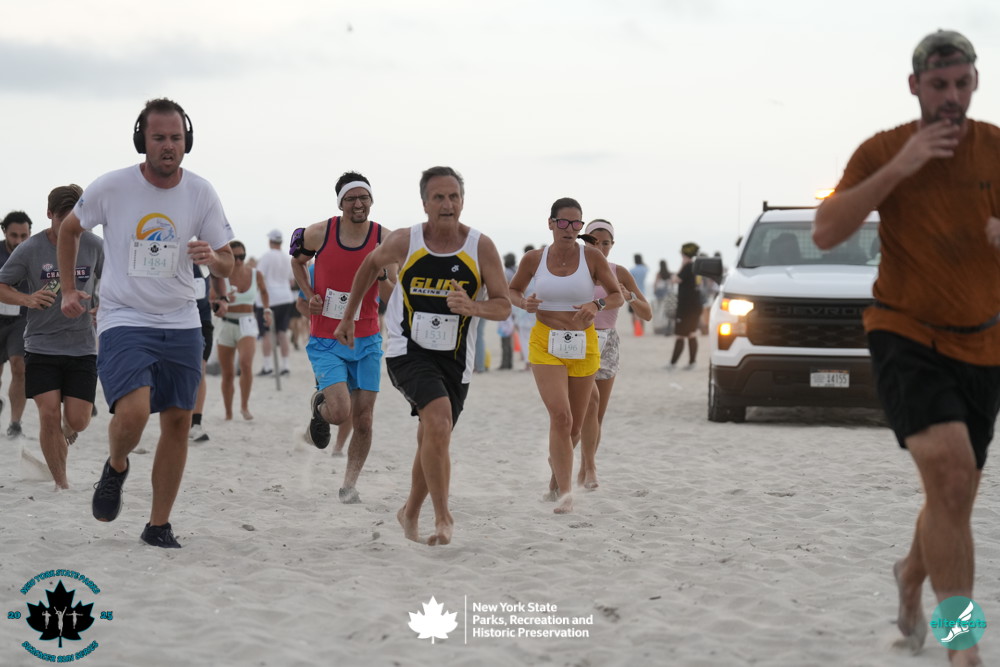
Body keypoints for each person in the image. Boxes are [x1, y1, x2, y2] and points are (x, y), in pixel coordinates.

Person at [813, 30, 998, 666]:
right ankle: (962, 645)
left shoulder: (996, 148)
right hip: (905, 332)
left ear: (975, 83)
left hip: (984, 342)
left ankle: (911, 574)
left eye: (962, 84)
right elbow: (826, 230)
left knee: (954, 493)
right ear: (915, 85)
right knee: (952, 475)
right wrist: (901, 167)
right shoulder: (883, 149)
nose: (952, 97)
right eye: (939, 85)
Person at [58, 97, 235, 549]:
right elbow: (70, 230)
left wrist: (212, 258)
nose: (168, 146)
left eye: (176, 137)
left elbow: (228, 261)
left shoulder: (201, 192)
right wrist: (69, 289)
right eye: (159, 138)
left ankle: (158, 525)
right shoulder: (112, 187)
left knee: (178, 421)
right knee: (134, 412)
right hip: (124, 316)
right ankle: (117, 464)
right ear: (142, 140)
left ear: (187, 140)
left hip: (182, 320)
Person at [334, 166, 510, 544]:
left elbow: (503, 305)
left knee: (433, 435)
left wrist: (473, 307)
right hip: (407, 349)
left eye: (454, 197)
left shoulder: (480, 247)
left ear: (462, 201)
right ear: (424, 203)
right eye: (438, 197)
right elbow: (369, 265)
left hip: (456, 359)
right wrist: (348, 317)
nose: (447, 204)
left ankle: (409, 512)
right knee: (439, 422)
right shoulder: (406, 240)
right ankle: (443, 518)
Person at [508, 199, 622, 514]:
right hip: (545, 342)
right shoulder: (534, 259)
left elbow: (616, 295)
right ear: (551, 223)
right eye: (563, 222)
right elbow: (512, 291)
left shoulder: (592, 257)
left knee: (574, 428)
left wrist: (596, 305)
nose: (569, 229)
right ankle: (566, 494)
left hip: (582, 343)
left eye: (576, 224)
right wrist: (524, 303)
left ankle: (554, 481)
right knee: (561, 416)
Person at [292, 171, 394, 504]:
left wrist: (382, 276)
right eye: (351, 198)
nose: (358, 204)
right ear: (340, 203)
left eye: (364, 197)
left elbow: (392, 294)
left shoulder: (384, 239)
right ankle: (319, 408)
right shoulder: (320, 233)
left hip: (367, 339)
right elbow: (297, 261)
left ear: (371, 200)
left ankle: (349, 485)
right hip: (327, 339)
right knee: (339, 413)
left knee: (363, 419)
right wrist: (309, 293)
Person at [0, 185, 103, 489]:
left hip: (82, 346)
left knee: (79, 420)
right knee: (47, 414)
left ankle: (68, 428)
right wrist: (28, 299)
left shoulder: (94, 245)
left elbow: (116, 282)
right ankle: (61, 483)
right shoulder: (31, 249)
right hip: (41, 344)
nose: (72, 226)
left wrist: (103, 306)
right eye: (64, 220)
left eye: (78, 219)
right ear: (49, 215)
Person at [577, 220, 651, 490]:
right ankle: (581, 467)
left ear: (613, 244)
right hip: (577, 342)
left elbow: (647, 313)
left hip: (607, 342)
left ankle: (587, 467)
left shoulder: (618, 272)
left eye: (606, 243)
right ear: (585, 241)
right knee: (581, 409)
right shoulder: (573, 269)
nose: (600, 247)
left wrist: (628, 295)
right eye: (594, 242)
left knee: (597, 414)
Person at [213, 240, 270, 421]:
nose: (238, 261)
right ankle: (228, 412)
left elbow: (264, 292)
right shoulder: (221, 275)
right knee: (228, 373)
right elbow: (211, 299)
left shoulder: (255, 274)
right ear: (229, 257)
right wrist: (223, 298)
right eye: (235, 257)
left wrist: (267, 310)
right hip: (226, 323)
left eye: (242, 256)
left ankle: (244, 406)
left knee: (245, 364)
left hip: (247, 322)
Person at [0, 211, 33, 438]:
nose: (19, 241)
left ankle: (15, 423)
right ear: (4, 232)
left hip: (22, 319)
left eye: (24, 235)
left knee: (19, 367)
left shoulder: (35, 253)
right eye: (14, 235)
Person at [189, 263, 225, 443]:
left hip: (202, 321)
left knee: (200, 370)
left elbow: (219, 274)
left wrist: (222, 298)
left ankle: (196, 423)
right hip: (172, 320)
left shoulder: (206, 255)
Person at [255, 229, 295, 376]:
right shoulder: (287, 257)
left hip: (269, 299)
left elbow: (259, 276)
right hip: (285, 297)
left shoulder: (267, 256)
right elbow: (291, 280)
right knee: (282, 332)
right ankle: (286, 365)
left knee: (266, 333)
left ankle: (267, 366)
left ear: (270, 241)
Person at [668, 242, 703, 370]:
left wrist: (681, 266)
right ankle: (692, 363)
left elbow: (675, 280)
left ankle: (673, 364)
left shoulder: (687, 266)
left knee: (680, 335)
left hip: (685, 307)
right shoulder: (696, 267)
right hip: (696, 305)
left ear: (684, 254)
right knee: (691, 334)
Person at [497, 252, 517, 370]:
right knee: (510, 337)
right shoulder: (516, 271)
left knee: (505, 336)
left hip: (507, 306)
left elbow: (503, 289)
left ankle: (505, 364)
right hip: (516, 307)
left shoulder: (507, 273)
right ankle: (509, 363)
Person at [628, 253, 649, 336]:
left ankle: (635, 329)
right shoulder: (645, 269)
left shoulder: (632, 270)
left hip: (633, 292)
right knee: (642, 312)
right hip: (642, 293)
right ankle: (642, 330)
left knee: (634, 312)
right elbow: (647, 268)